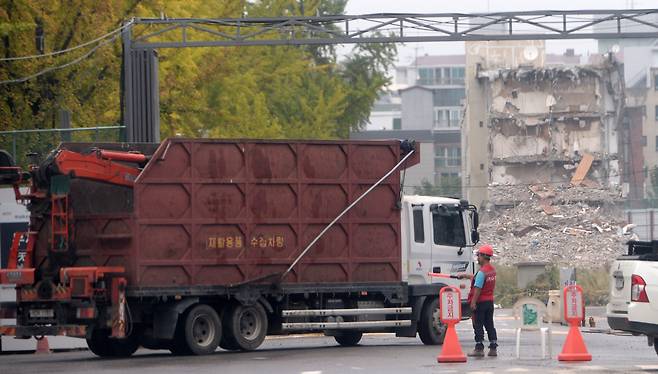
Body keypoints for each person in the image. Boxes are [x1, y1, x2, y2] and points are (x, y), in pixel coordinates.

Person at [458, 244, 498, 357]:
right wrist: (466, 276)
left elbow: (478, 288)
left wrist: (473, 302)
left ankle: (479, 348)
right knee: (489, 324)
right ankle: (493, 347)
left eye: (478, 255)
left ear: (483, 256)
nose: (477, 258)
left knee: (478, 324)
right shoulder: (491, 271)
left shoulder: (482, 272)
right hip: (489, 302)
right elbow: (479, 279)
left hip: (480, 302)